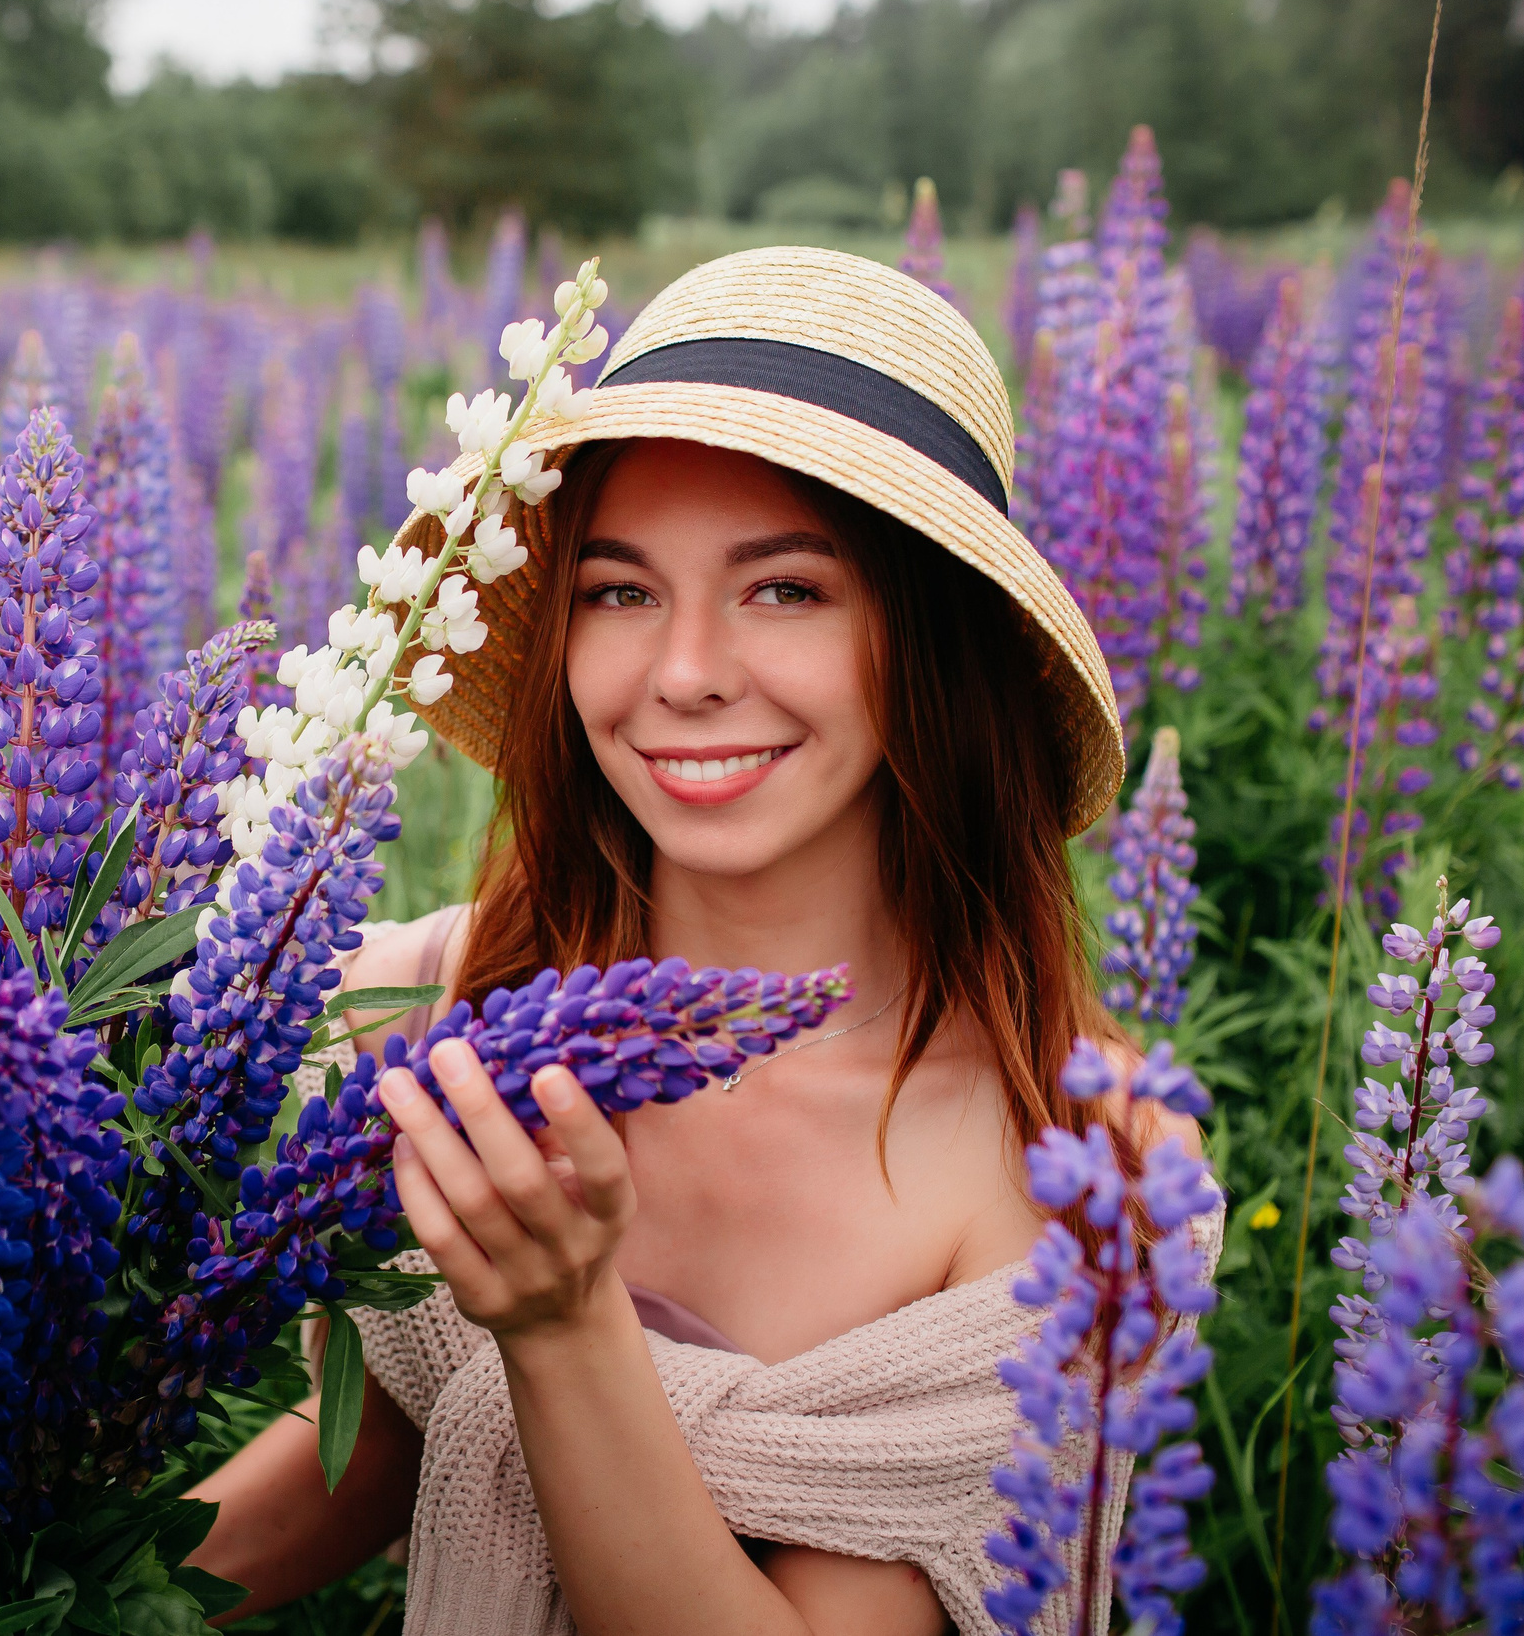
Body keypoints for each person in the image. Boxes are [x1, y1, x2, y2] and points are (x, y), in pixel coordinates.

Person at [184, 247, 1215, 1635]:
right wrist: (16, 1583)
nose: (682, 674)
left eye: (785, 589)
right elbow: (371, 1457)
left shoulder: (1083, 1164)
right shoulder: (419, 998)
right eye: (619, 592)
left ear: (930, 642)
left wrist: (563, 1325)